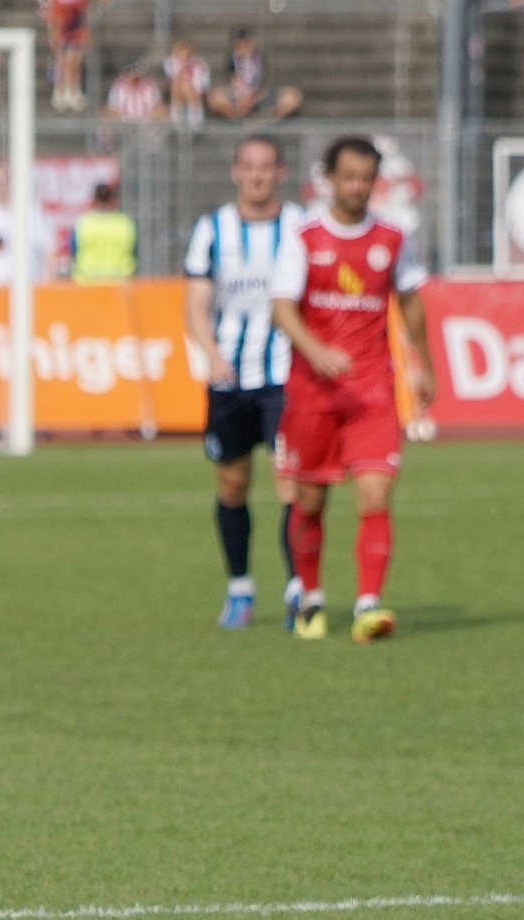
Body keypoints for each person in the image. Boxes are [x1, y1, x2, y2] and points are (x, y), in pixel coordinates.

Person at [269, 137, 435, 644]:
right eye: (349, 178)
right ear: (330, 180)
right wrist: (315, 351)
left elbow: (410, 301)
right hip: (313, 393)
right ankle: (311, 598)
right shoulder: (304, 236)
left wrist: (423, 366)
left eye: (367, 178)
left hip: (372, 392)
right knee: (309, 500)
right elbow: (282, 308)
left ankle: (369, 604)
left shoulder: (393, 237)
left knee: (375, 493)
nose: (359, 187)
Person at [183, 136, 304, 630]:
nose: (257, 176)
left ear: (281, 172)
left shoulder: (300, 227)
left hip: (285, 378)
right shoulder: (212, 229)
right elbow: (195, 302)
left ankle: (299, 589)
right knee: (233, 485)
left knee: (291, 483)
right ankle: (240, 588)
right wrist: (212, 354)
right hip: (229, 377)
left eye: (266, 167)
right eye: (249, 167)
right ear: (236, 171)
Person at [207, 31, 303, 121]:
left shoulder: (262, 59)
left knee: (293, 96)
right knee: (215, 97)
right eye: (240, 45)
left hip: (261, 96)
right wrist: (242, 97)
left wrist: (254, 98)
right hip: (238, 98)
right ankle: (237, 117)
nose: (243, 48)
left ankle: (270, 119)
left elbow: (266, 84)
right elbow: (231, 81)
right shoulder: (231, 61)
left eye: (246, 44)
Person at [71, 183, 137, 284]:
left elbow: (74, 251)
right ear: (112, 199)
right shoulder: (125, 223)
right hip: (119, 282)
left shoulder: (84, 223)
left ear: (94, 199)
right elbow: (134, 251)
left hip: (88, 283)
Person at [42, 0, 90, 112]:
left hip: (76, 34)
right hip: (62, 34)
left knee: (74, 64)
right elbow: (52, 19)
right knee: (62, 64)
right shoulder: (58, 2)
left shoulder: (80, 2)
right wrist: (52, 35)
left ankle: (74, 91)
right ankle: (59, 92)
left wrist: (86, 35)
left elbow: (84, 18)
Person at [165, 38, 210, 126]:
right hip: (178, 90)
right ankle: (177, 119)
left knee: (187, 87)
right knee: (178, 85)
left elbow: (203, 85)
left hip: (196, 92)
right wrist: (182, 65)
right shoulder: (170, 62)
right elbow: (172, 79)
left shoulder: (200, 64)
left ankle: (195, 120)